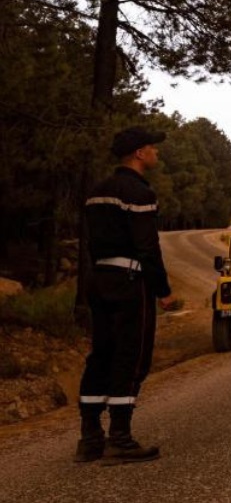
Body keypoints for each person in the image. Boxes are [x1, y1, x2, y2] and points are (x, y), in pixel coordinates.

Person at [77, 126, 178, 465]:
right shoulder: (138, 192)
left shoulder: (97, 191)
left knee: (101, 353)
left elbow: (90, 242)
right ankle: (119, 438)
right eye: (152, 148)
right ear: (138, 153)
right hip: (130, 281)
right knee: (131, 356)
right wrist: (162, 290)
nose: (156, 153)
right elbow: (148, 247)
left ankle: (89, 438)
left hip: (99, 277)